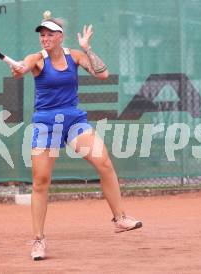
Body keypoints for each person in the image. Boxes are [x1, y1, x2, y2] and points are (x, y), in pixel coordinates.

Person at [11, 11, 142, 261]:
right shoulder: (37, 59)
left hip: (73, 120)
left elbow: (102, 73)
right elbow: (22, 69)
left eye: (50, 34)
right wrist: (19, 68)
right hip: (46, 123)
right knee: (40, 181)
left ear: (60, 37)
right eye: (42, 35)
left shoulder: (76, 56)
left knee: (104, 162)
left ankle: (120, 218)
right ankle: (38, 240)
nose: (45, 39)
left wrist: (88, 48)